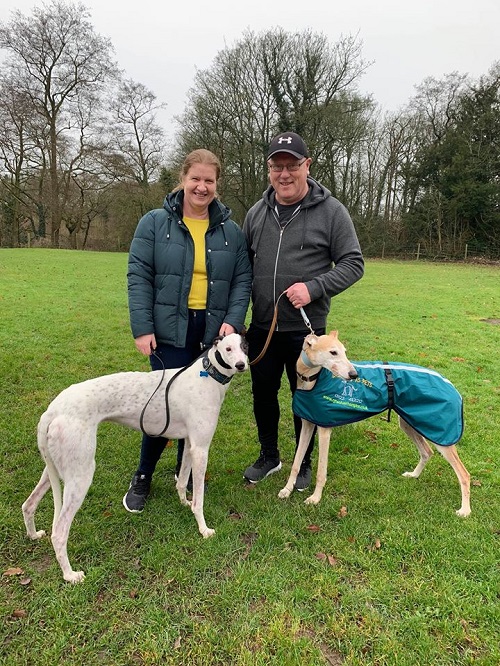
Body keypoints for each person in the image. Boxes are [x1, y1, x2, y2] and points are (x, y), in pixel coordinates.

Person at [123, 148, 252, 513]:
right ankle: (144, 475)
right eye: (195, 178)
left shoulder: (231, 231)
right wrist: (142, 327)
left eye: (209, 181)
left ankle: (186, 478)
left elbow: (242, 279)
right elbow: (139, 277)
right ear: (182, 180)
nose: (201, 187)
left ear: (217, 185)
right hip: (167, 329)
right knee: (161, 404)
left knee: (196, 409)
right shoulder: (153, 223)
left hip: (212, 332)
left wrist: (233, 321)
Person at [242, 131, 364, 490]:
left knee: (304, 396)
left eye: (292, 165)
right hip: (263, 326)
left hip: (307, 333)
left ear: (307, 166)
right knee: (263, 394)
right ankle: (269, 456)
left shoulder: (332, 211)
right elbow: (243, 266)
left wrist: (314, 287)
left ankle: (303, 461)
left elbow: (354, 263)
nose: (284, 174)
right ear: (269, 170)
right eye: (277, 166)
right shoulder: (256, 213)